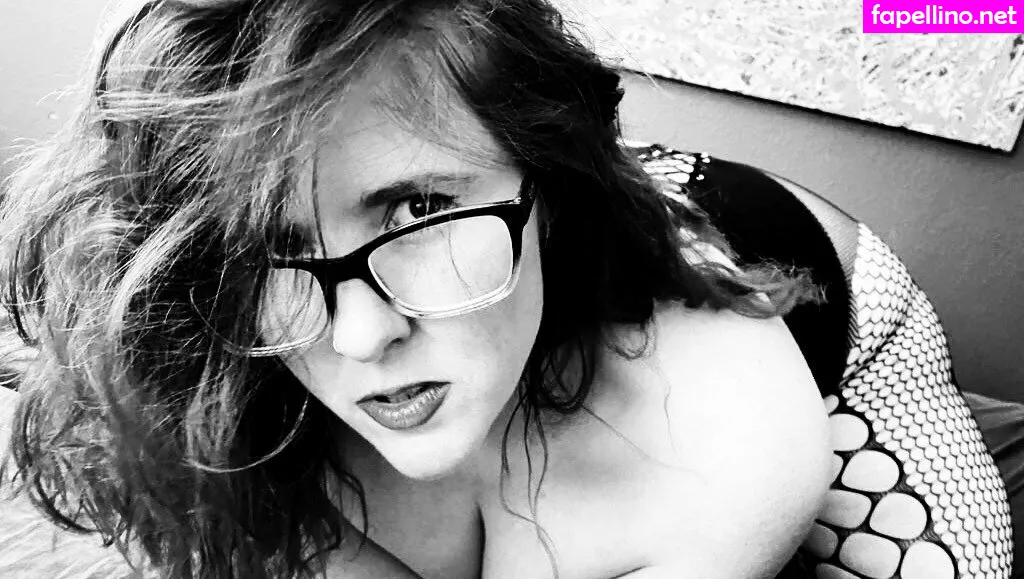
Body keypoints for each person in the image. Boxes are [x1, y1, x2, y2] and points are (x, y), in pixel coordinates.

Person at [6, 0, 1006, 578]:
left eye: (418, 210)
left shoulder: (730, 440)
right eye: (267, 244)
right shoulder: (213, 343)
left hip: (811, 294)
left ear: (550, 197)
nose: (358, 337)